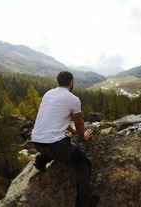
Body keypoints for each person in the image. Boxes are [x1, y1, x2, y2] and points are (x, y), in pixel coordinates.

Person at [31, 71, 99, 207]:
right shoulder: (73, 99)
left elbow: (58, 118)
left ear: (58, 82)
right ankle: (84, 203)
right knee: (84, 166)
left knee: (62, 143)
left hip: (36, 141)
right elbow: (79, 122)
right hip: (53, 145)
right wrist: (82, 137)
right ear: (71, 82)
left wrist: (72, 131)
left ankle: (40, 161)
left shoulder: (48, 94)